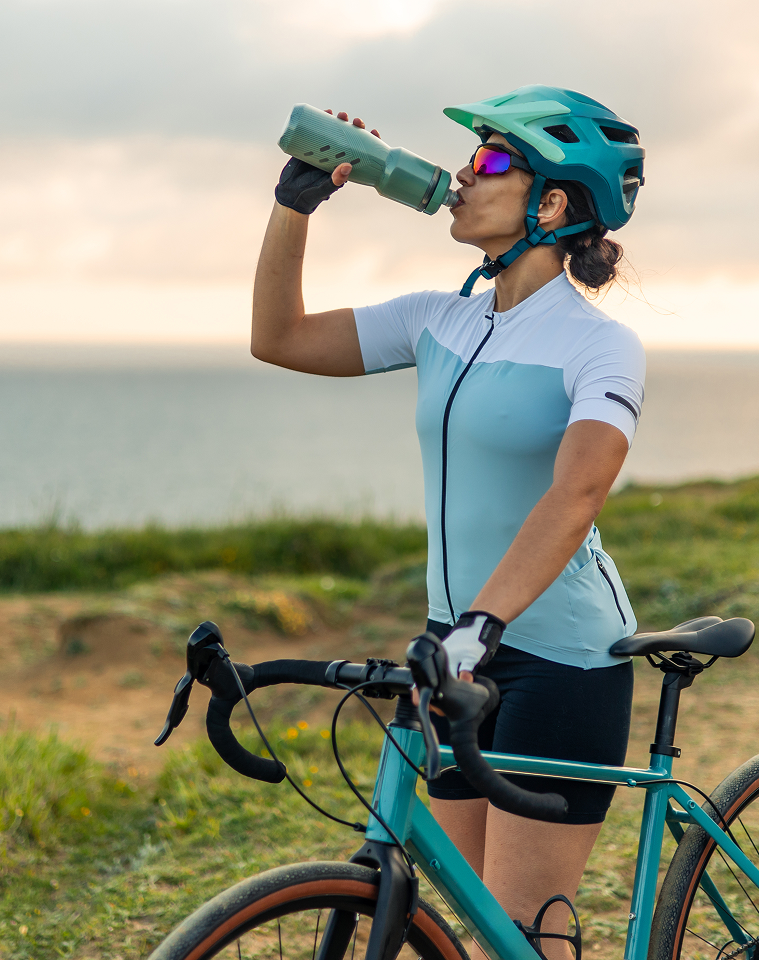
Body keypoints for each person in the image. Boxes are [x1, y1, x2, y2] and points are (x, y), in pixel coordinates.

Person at [252, 85, 646, 960]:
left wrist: (484, 620)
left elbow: (577, 492)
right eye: (472, 157)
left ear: (551, 203)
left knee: (525, 936)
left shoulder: (600, 347)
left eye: (493, 160)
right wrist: (295, 207)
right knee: (477, 930)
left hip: (557, 659)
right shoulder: (439, 318)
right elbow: (278, 338)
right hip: (456, 645)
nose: (465, 173)